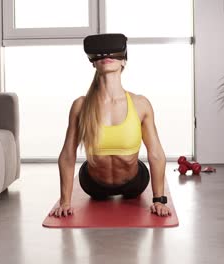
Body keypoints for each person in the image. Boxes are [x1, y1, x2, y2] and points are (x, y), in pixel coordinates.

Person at [49, 33, 171, 218]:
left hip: (134, 183)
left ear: (124, 62)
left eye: (114, 53)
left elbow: (155, 153)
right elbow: (67, 154)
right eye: (101, 54)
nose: (107, 55)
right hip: (93, 185)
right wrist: (64, 201)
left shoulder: (140, 104)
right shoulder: (81, 106)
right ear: (93, 62)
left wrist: (159, 200)